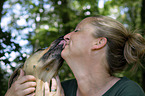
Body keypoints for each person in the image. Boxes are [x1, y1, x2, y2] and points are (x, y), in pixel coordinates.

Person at [5, 15, 145, 96]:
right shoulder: (59, 89)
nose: (66, 36)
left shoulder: (128, 91)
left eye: (77, 30)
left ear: (99, 42)